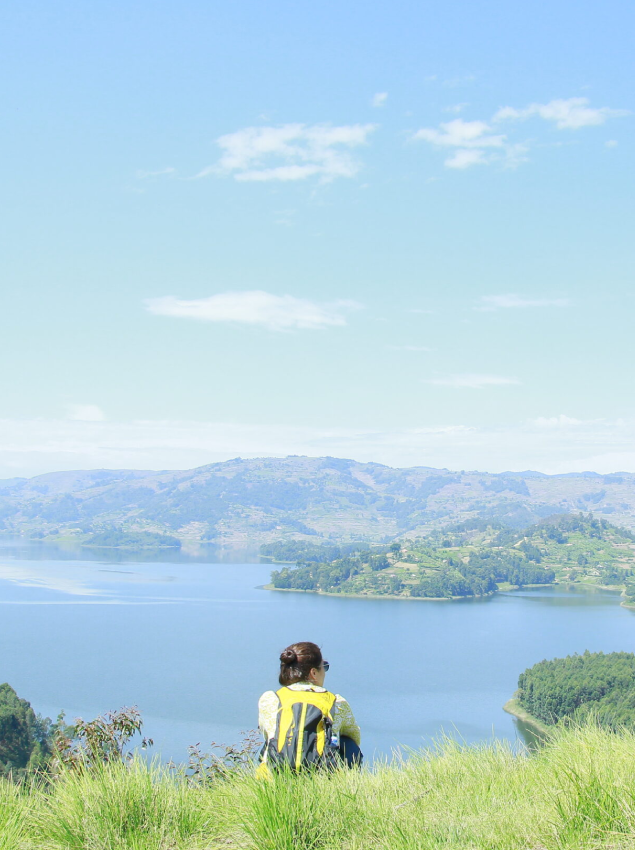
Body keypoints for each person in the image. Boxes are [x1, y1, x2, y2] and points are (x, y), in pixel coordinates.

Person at [258, 641, 362, 773]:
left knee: (271, 741)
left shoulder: (270, 699)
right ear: (313, 672)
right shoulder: (337, 702)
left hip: (275, 774)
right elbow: (354, 737)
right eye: (324, 667)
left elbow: (267, 733)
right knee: (348, 743)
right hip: (322, 776)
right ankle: (340, 782)